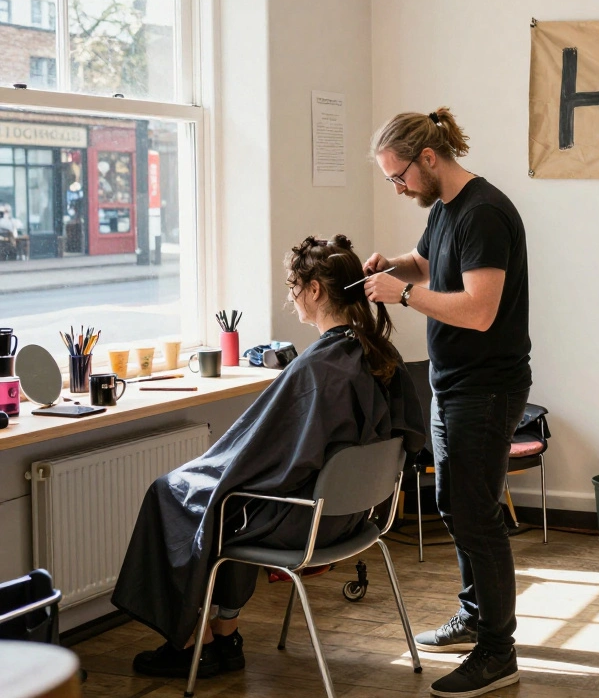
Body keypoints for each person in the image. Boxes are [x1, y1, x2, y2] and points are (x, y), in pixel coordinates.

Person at [115, 235, 425, 679]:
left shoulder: (318, 369)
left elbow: (265, 458)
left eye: (293, 286)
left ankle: (191, 646)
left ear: (314, 290)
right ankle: (226, 636)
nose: (290, 297)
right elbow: (402, 439)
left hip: (304, 521)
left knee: (176, 493)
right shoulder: (375, 353)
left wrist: (213, 472)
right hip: (353, 516)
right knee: (228, 498)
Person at [365, 107, 531, 698]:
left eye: (399, 176)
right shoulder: (444, 209)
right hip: (454, 383)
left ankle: (497, 651)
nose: (399, 187)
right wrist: (394, 265)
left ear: (428, 158)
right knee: (456, 504)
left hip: (486, 387)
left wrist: (404, 296)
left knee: (476, 514)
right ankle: (475, 616)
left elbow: (480, 310)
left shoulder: (484, 213)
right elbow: (435, 265)